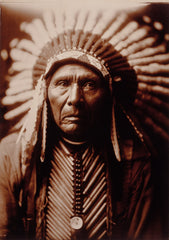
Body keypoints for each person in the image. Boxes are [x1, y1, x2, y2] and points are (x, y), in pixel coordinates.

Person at [0, 4, 167, 240]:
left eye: (89, 84)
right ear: (44, 94)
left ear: (108, 94)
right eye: (63, 84)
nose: (75, 99)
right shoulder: (14, 156)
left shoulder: (136, 162)